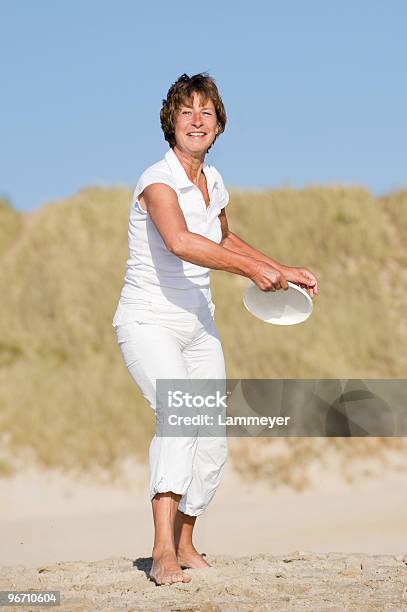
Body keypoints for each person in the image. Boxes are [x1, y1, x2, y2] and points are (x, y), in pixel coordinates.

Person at [112, 73, 318, 586]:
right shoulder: (156, 182)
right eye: (187, 111)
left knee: (212, 443)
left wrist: (280, 268)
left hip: (198, 325)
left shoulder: (214, 182)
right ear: (171, 123)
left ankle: (185, 540)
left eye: (207, 112)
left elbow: (222, 236)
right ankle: (161, 552)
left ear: (220, 125)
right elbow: (181, 241)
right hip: (148, 322)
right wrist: (250, 272)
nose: (198, 120)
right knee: (180, 418)